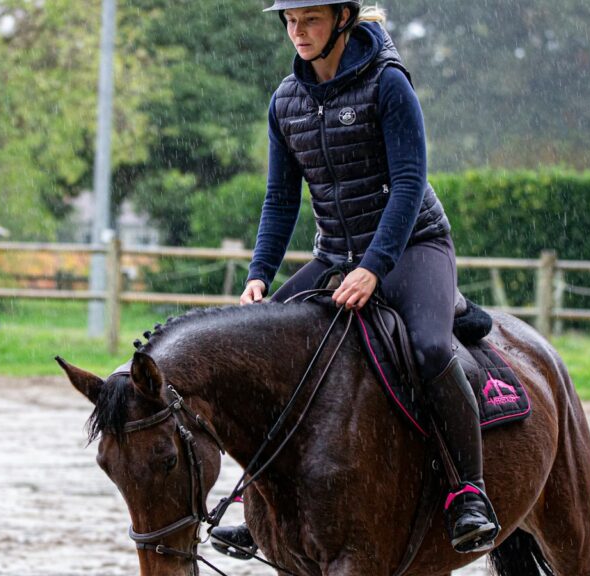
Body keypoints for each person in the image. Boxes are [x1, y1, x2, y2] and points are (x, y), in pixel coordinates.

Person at [211, 0, 500, 558]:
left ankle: (470, 492)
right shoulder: (285, 101)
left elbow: (410, 181)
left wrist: (374, 265)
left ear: (343, 18)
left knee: (429, 345)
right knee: (265, 347)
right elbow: (280, 199)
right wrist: (259, 276)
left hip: (415, 245)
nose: (298, 31)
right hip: (335, 254)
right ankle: (259, 501)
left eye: (310, 20)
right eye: (290, 21)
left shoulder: (389, 85)